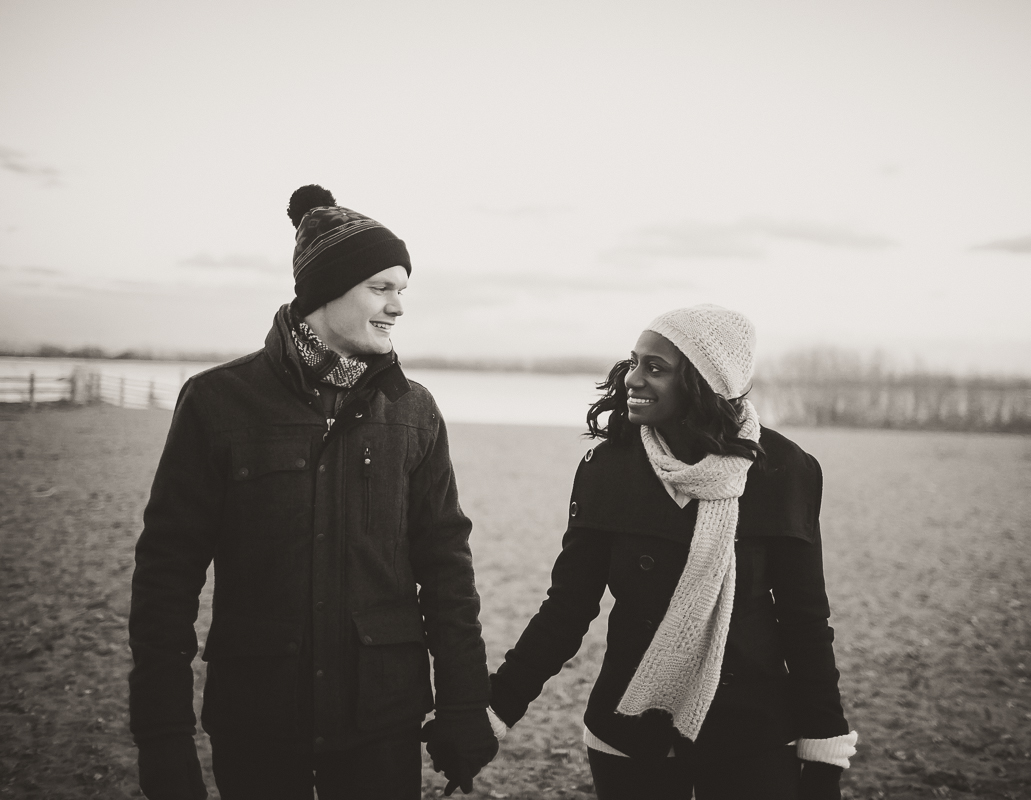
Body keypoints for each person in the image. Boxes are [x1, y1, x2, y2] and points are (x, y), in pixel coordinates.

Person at [128, 185, 498, 799]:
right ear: (327, 289)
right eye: (382, 287)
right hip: (259, 722)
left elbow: (447, 567)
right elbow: (165, 577)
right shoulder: (218, 402)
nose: (398, 307)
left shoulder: (413, 411)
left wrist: (465, 702)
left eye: (403, 290)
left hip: (383, 721)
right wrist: (162, 735)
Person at [489, 305, 857, 799]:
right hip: (631, 726)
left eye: (656, 368)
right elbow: (568, 607)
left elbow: (803, 618)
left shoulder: (784, 470)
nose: (632, 379)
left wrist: (824, 741)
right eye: (634, 362)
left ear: (706, 382)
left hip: (753, 731)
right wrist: (495, 710)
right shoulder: (608, 467)